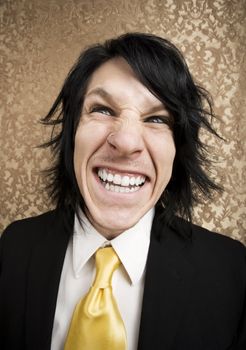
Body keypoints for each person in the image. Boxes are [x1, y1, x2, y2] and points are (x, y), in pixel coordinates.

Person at [0, 32, 245, 350]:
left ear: (178, 150)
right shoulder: (13, 248)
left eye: (157, 118)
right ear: (73, 132)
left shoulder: (233, 272)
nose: (126, 142)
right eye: (102, 110)